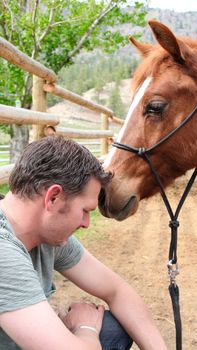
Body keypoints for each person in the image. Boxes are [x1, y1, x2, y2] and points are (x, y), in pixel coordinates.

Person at [0, 135, 168, 350]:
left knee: (112, 329)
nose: (86, 223)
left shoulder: (46, 235)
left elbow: (117, 291)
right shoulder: (4, 252)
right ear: (53, 198)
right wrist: (85, 328)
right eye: (85, 211)